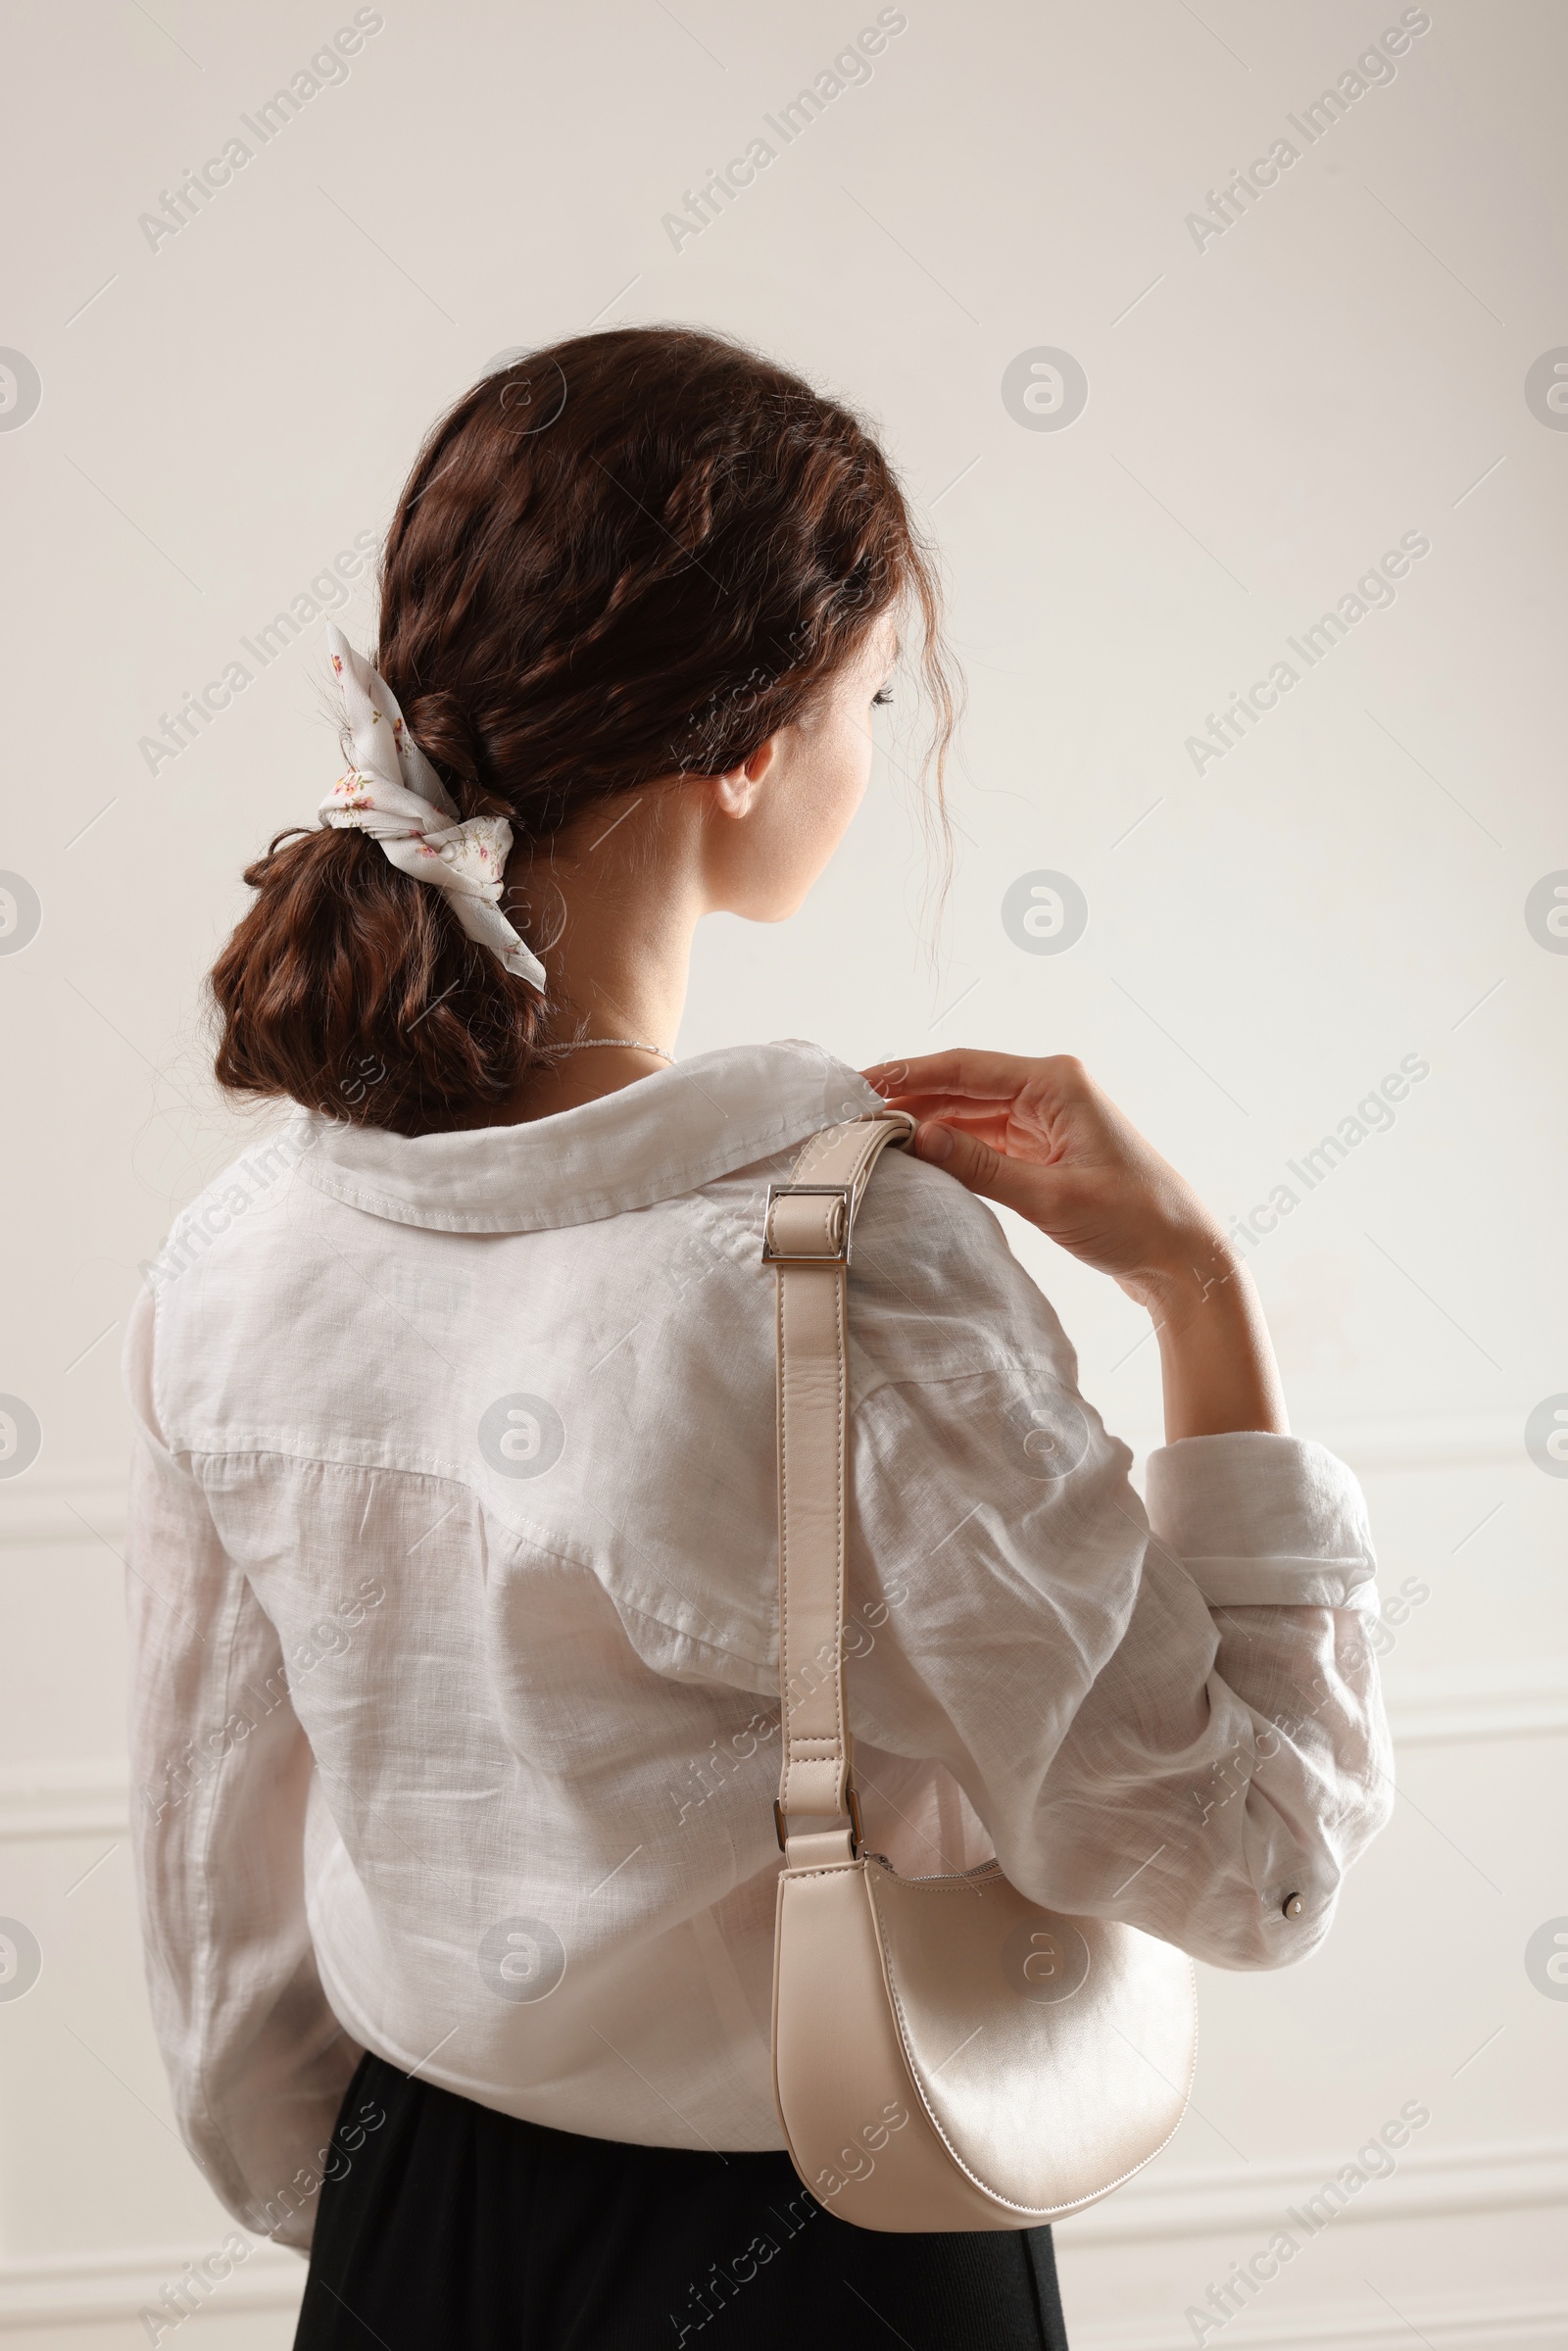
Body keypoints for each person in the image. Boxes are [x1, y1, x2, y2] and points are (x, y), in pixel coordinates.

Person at [123, 326, 1392, 2351]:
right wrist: (1192, 1292)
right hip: (829, 2244)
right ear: (745, 743)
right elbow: (1250, 1867)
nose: (875, 750)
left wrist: (385, 2229)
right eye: (870, 694)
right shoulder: (839, 1275)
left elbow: (214, 1889)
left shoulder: (237, 1251)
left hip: (410, 2226)